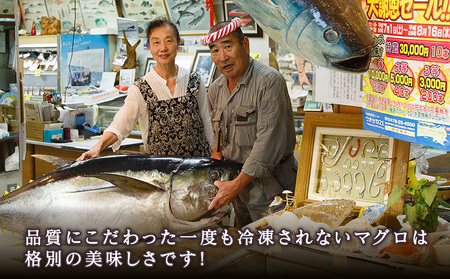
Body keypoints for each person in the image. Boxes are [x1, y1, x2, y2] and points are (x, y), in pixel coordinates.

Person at [200, 18, 298, 227]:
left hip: (274, 187)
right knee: (245, 246)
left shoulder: (269, 82)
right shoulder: (216, 88)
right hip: (238, 188)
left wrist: (235, 185)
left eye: (228, 46)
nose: (222, 57)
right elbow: (217, 135)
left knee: (279, 250)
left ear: (245, 45)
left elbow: (267, 145)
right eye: (215, 50)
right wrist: (216, 153)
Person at [77, 18, 213, 160]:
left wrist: (214, 151)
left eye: (168, 41)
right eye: (156, 42)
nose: (163, 48)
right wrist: (97, 147)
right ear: (149, 46)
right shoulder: (141, 88)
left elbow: (206, 121)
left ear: (178, 43)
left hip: (197, 168)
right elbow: (120, 125)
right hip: (160, 173)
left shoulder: (195, 80)